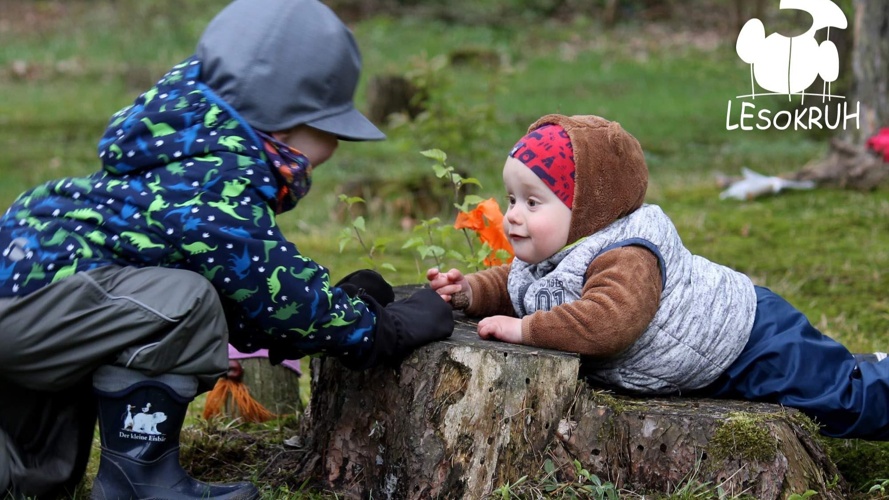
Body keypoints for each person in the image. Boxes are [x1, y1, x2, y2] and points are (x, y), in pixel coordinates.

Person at [0, 0, 453, 498]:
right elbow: (274, 293)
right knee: (183, 302)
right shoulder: (218, 173)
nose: (318, 166)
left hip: (32, 311)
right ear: (281, 129)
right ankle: (140, 483)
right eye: (319, 146)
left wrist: (329, 304)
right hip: (29, 316)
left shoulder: (182, 147)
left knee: (33, 477)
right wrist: (380, 329)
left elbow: (241, 291)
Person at [427, 113, 889, 441]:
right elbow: (520, 283)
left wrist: (526, 330)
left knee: (841, 400)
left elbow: (608, 321)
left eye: (532, 202)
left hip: (750, 339)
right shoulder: (560, 250)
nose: (513, 216)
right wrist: (470, 291)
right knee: (836, 375)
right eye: (511, 199)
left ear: (590, 208)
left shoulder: (627, 254)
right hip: (708, 356)